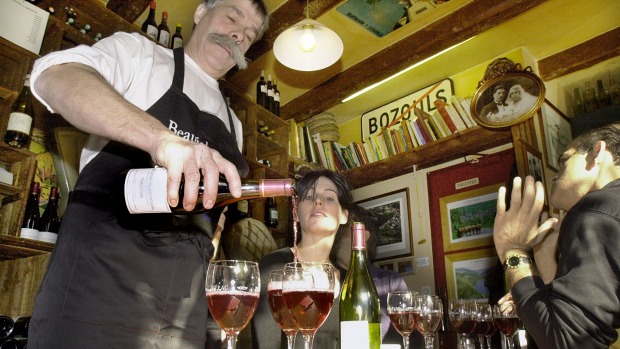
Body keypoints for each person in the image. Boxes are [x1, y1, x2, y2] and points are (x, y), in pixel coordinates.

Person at [27, 0, 269, 347]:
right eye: (233, 16)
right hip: (97, 290)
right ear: (201, 12)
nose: (238, 34)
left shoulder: (235, 126)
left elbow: (216, 213)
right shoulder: (141, 55)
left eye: (249, 35)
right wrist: (161, 140)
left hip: (182, 313)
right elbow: (56, 75)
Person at [493, 122, 620, 348]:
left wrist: (513, 251)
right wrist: (541, 283)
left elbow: (568, 342)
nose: (554, 176)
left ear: (597, 153)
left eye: (564, 162)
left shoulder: (595, 209)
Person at [251, 169, 354, 349]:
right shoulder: (275, 266)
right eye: (308, 197)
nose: (318, 201)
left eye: (329, 198)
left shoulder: (350, 281)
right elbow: (266, 344)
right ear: (296, 212)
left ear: (344, 216)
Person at [331, 205, 424, 348]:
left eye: (343, 226)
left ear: (362, 235)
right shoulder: (323, 281)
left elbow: (412, 339)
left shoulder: (391, 282)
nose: (335, 230)